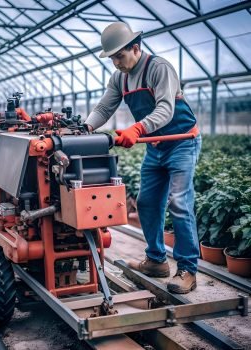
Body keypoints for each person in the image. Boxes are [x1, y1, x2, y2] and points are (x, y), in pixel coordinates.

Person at [84, 22, 202, 294]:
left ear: (135, 48)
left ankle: (188, 270)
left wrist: (137, 128)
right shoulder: (120, 78)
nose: (115, 63)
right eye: (111, 58)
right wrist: (87, 127)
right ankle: (157, 261)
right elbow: (105, 106)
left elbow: (166, 109)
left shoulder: (158, 68)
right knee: (147, 202)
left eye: (119, 56)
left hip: (182, 141)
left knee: (179, 203)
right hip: (156, 146)